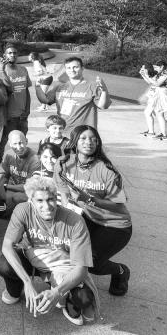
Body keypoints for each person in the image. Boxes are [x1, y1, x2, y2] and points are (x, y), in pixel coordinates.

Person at [0, 176, 97, 326]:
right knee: (4, 263)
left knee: (84, 298)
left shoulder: (75, 221)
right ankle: (15, 290)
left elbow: (81, 269)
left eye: (50, 199)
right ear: (31, 201)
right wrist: (27, 282)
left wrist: (58, 292)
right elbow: (7, 246)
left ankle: (68, 303)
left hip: (63, 266)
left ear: (56, 198)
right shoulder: (22, 210)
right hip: (33, 257)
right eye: (40, 201)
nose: (47, 206)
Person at [56, 125, 132, 297]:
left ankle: (120, 271)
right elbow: (63, 190)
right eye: (83, 138)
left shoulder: (106, 170)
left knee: (93, 264)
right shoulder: (63, 163)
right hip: (86, 218)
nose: (88, 142)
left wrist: (91, 200)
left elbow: (119, 204)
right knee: (68, 250)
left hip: (115, 224)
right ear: (74, 141)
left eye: (93, 139)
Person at [34, 56, 110, 133]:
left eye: (75, 67)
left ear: (82, 68)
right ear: (65, 70)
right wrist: (37, 86)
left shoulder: (92, 86)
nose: (72, 70)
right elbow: (44, 100)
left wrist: (104, 91)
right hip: (63, 132)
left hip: (84, 133)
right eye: (69, 68)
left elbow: (103, 106)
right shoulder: (60, 87)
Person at [0, 45, 32, 158]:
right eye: (10, 53)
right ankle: (0, 162)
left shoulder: (23, 69)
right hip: (9, 116)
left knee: (21, 143)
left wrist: (27, 110)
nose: (13, 55)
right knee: (4, 142)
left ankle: (20, 164)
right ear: (4, 55)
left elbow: (26, 91)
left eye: (15, 53)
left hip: (22, 115)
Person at [0, 130, 39, 218]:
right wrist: (0, 188)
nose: (18, 147)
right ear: (9, 144)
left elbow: (29, 186)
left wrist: (6, 186)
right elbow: (4, 176)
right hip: (14, 187)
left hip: (32, 191)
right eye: (15, 144)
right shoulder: (8, 154)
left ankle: (29, 216)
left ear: (26, 141)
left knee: (17, 197)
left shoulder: (35, 159)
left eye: (21, 143)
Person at [138, 60, 167, 140]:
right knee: (157, 114)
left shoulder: (165, 73)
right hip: (157, 94)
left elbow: (156, 84)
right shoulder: (161, 73)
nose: (156, 68)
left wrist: (146, 74)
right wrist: (144, 75)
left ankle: (158, 133)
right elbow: (151, 82)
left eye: (158, 67)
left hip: (159, 94)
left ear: (162, 67)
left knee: (156, 113)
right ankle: (161, 133)